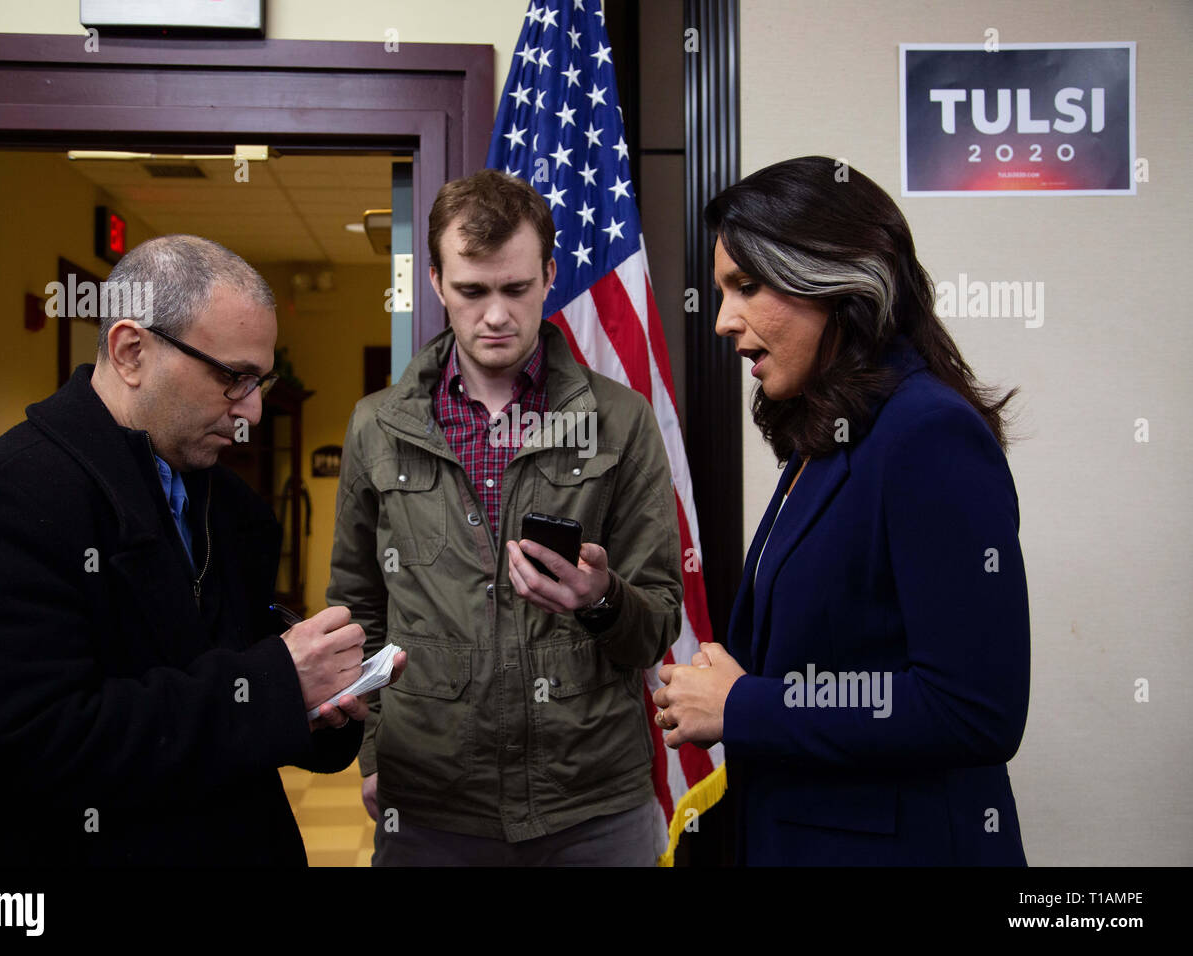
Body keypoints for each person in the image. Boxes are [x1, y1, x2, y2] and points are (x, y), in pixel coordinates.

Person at [0, 234, 400, 865]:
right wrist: (275, 682)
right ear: (132, 350)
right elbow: (30, 748)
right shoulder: (1, 499)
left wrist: (320, 704)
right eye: (232, 378)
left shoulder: (232, 506)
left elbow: (223, 707)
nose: (250, 411)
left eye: (261, 380)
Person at [653, 156, 1031, 866]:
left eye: (747, 286)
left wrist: (742, 707)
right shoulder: (834, 430)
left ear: (836, 278)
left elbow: (974, 709)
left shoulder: (927, 432)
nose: (724, 321)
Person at [328, 169, 683, 866]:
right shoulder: (376, 426)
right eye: (472, 290)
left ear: (549, 275)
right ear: (434, 281)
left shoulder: (621, 420)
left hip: (592, 803)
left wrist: (602, 600)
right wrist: (371, 752)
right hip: (430, 798)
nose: (496, 315)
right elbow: (357, 608)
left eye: (516, 289)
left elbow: (660, 620)